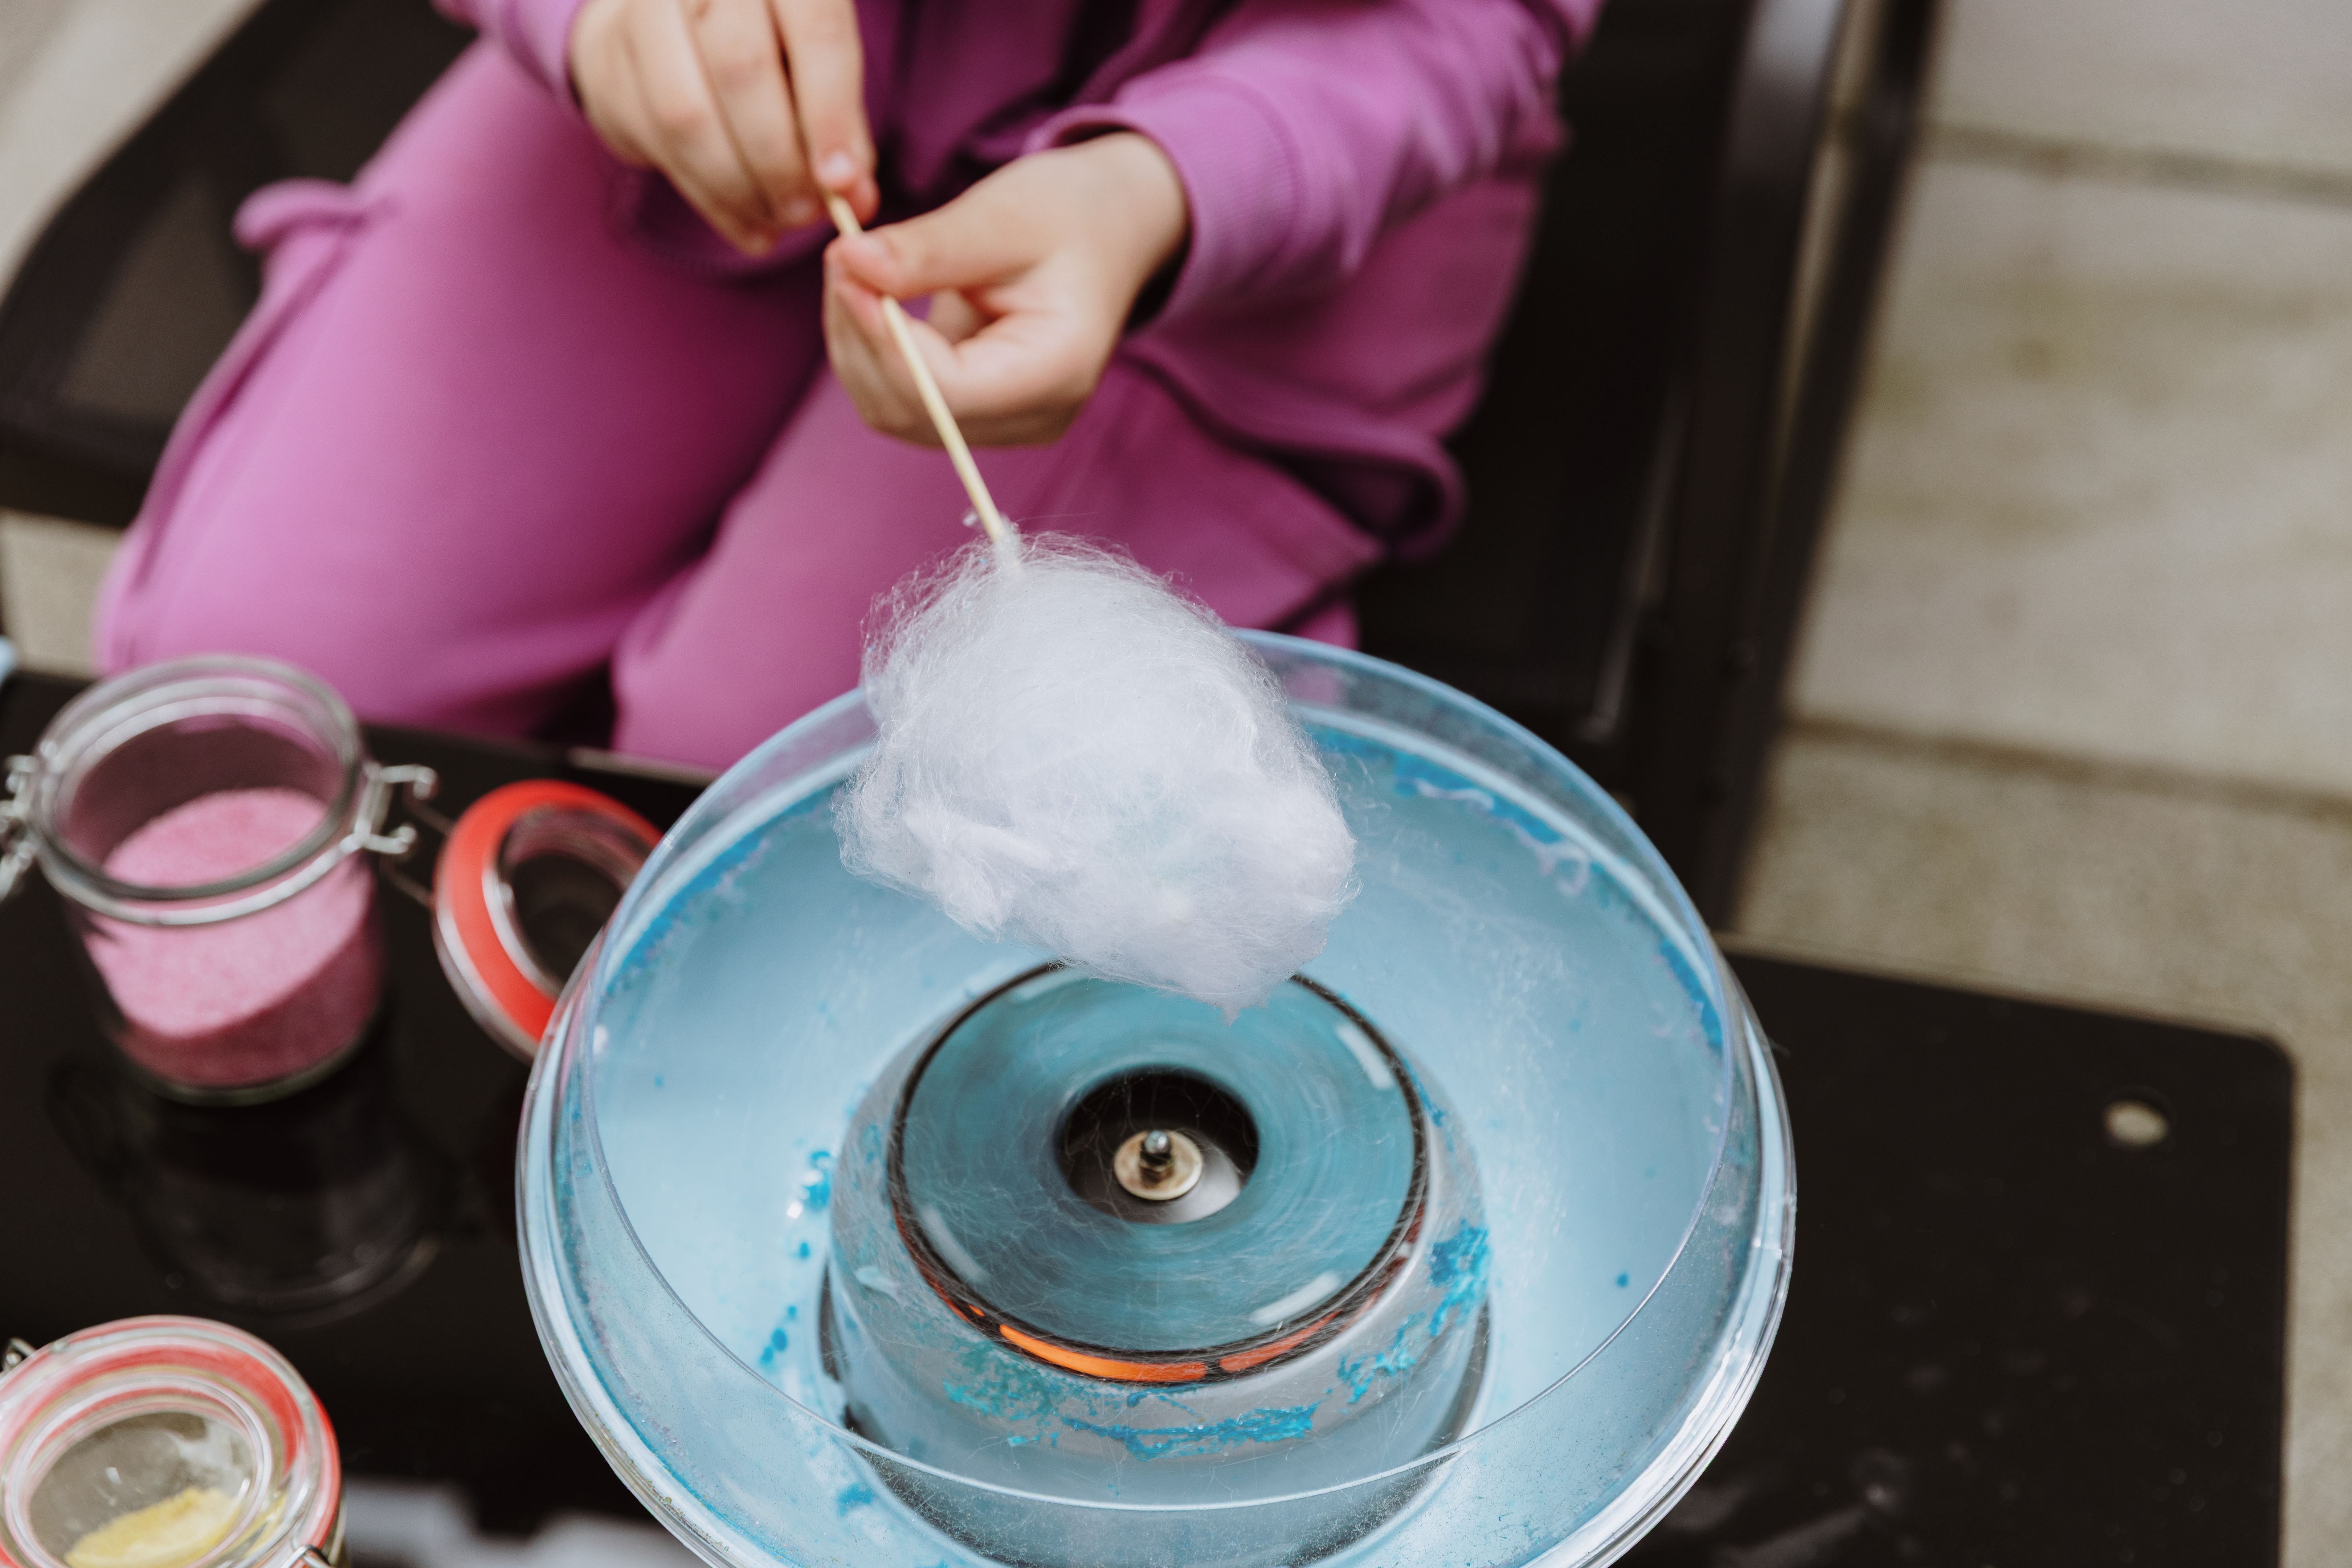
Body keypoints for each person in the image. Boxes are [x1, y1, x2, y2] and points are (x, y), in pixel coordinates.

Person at [95, 0, 1602, 768]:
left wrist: (1162, 196)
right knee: (248, 685)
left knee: (775, 787)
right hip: (695, 76)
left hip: (1266, 161)